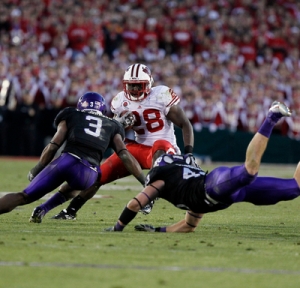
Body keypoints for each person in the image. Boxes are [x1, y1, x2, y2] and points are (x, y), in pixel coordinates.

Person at [30, 63, 194, 222]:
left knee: (160, 145)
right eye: (131, 86)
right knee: (97, 176)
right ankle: (68, 211)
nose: (135, 90)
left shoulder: (161, 95)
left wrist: (189, 153)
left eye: (139, 85)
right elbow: (115, 133)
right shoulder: (120, 101)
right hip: (138, 148)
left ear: (149, 83)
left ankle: (149, 195)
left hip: (165, 151)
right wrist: (122, 124)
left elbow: (185, 124)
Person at [105, 101, 299, 233]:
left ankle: (271, 117)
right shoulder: (181, 177)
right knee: (294, 188)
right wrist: (158, 230)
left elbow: (134, 204)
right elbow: (189, 225)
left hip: (212, 186)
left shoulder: (161, 175)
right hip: (222, 193)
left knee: (249, 172)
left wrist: (118, 227)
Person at [0, 92, 145, 217]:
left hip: (66, 161)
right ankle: (44, 208)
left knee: (24, 196)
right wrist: (145, 182)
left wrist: (37, 168)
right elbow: (124, 155)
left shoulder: (71, 114)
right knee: (93, 179)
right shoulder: (113, 125)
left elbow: (53, 146)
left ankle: (41, 207)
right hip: (88, 173)